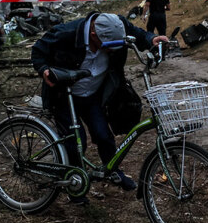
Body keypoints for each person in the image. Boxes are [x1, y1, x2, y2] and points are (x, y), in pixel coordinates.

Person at [32, 12, 168, 204]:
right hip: (64, 95)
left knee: (103, 135)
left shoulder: (116, 24)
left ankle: (112, 171)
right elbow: (38, 50)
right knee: (76, 141)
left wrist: (151, 38)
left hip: (92, 94)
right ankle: (75, 185)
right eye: (109, 47)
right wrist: (44, 69)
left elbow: (136, 33)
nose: (113, 51)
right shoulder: (67, 33)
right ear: (94, 34)